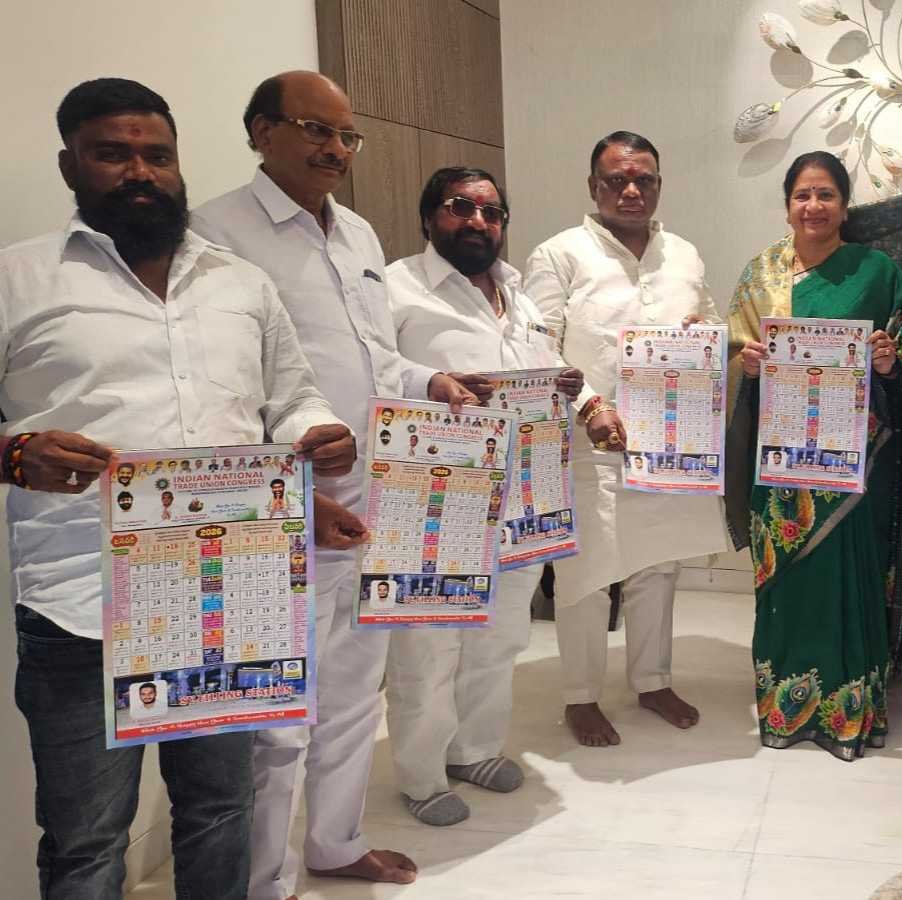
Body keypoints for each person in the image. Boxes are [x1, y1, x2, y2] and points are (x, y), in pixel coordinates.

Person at [0, 78, 354, 900]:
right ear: (69, 166)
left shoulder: (240, 284)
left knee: (222, 809)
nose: (140, 173)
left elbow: (291, 397)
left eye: (157, 155)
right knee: (87, 842)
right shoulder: (19, 280)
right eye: (112, 154)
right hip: (80, 606)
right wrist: (15, 455)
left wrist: (316, 430)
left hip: (230, 596)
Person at [194, 71, 478, 895]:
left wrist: (427, 380)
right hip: (286, 508)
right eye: (314, 129)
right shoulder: (215, 232)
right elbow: (219, 385)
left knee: (357, 689)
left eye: (346, 135)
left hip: (377, 496)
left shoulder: (355, 233)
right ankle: (266, 879)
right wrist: (284, 478)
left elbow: (372, 356)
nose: (334, 149)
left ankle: (336, 842)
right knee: (280, 710)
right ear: (261, 132)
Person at [382, 166, 587, 827]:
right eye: (460, 207)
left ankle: (473, 749)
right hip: (435, 494)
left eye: (492, 212)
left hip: (523, 494)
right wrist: (429, 380)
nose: (478, 221)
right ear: (428, 216)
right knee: (429, 643)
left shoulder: (516, 294)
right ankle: (420, 774)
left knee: (500, 634)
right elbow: (369, 367)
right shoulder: (395, 286)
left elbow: (535, 371)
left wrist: (564, 385)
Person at [524, 130, 728, 746]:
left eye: (644, 179)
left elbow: (712, 321)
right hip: (588, 441)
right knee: (585, 573)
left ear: (659, 185)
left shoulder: (683, 253)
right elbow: (535, 346)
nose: (632, 190)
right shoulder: (559, 254)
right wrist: (589, 404)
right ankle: (580, 695)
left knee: (658, 565)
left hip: (670, 441)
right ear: (594, 187)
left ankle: (652, 680)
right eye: (617, 179)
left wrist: (704, 332)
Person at [725, 151, 902, 760]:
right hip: (781, 456)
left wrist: (889, 361)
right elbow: (733, 355)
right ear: (787, 205)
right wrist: (747, 364)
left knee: (851, 577)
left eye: (826, 195)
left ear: (844, 204)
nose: (813, 206)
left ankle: (848, 712)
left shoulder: (876, 271)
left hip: (855, 459)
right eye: (802, 195)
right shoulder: (760, 275)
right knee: (787, 581)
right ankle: (784, 707)